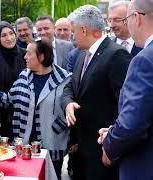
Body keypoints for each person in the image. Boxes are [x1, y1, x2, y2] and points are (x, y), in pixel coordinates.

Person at [0, 38, 71, 180]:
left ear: (41, 57)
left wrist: (59, 127)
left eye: (29, 54)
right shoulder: (24, 76)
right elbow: (10, 101)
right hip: (24, 146)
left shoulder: (64, 80)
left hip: (52, 144)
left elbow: (71, 111)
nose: (24, 57)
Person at [62, 5, 132, 180]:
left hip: (101, 152)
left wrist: (111, 146)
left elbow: (124, 105)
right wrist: (68, 103)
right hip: (79, 149)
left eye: (73, 32)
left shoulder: (116, 55)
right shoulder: (81, 55)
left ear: (84, 30)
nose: (73, 36)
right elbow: (70, 86)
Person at [98, 0, 153, 179]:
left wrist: (109, 145)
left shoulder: (144, 60)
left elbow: (132, 124)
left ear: (136, 18)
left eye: (126, 18)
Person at [0, 21, 26, 139]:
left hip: (22, 113)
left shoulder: (25, 55)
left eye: (11, 33)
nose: (9, 38)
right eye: (4, 35)